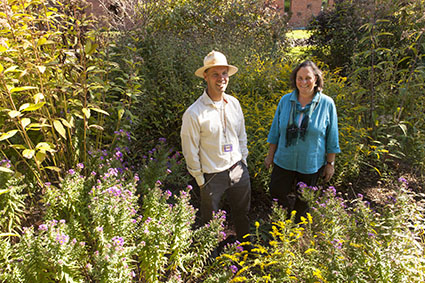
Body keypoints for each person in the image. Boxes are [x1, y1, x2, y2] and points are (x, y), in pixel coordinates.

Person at [180, 50, 251, 242]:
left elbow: (241, 135)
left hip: (238, 170)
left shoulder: (234, 104)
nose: (221, 78)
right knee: (209, 223)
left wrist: (243, 162)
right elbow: (190, 150)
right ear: (206, 76)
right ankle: (210, 262)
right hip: (212, 177)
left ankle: (247, 251)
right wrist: (200, 180)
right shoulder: (194, 113)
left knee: (242, 215)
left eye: (224, 73)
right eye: (215, 74)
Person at [264, 60, 340, 221]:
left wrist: (330, 164)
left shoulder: (326, 104)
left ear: (316, 79)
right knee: (277, 194)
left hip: (311, 163)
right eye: (300, 78)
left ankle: (296, 233)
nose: (303, 82)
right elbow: (275, 131)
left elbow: (332, 136)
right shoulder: (285, 101)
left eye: (308, 78)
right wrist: (270, 156)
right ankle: (280, 227)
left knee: (304, 201)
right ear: (295, 79)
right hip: (283, 160)